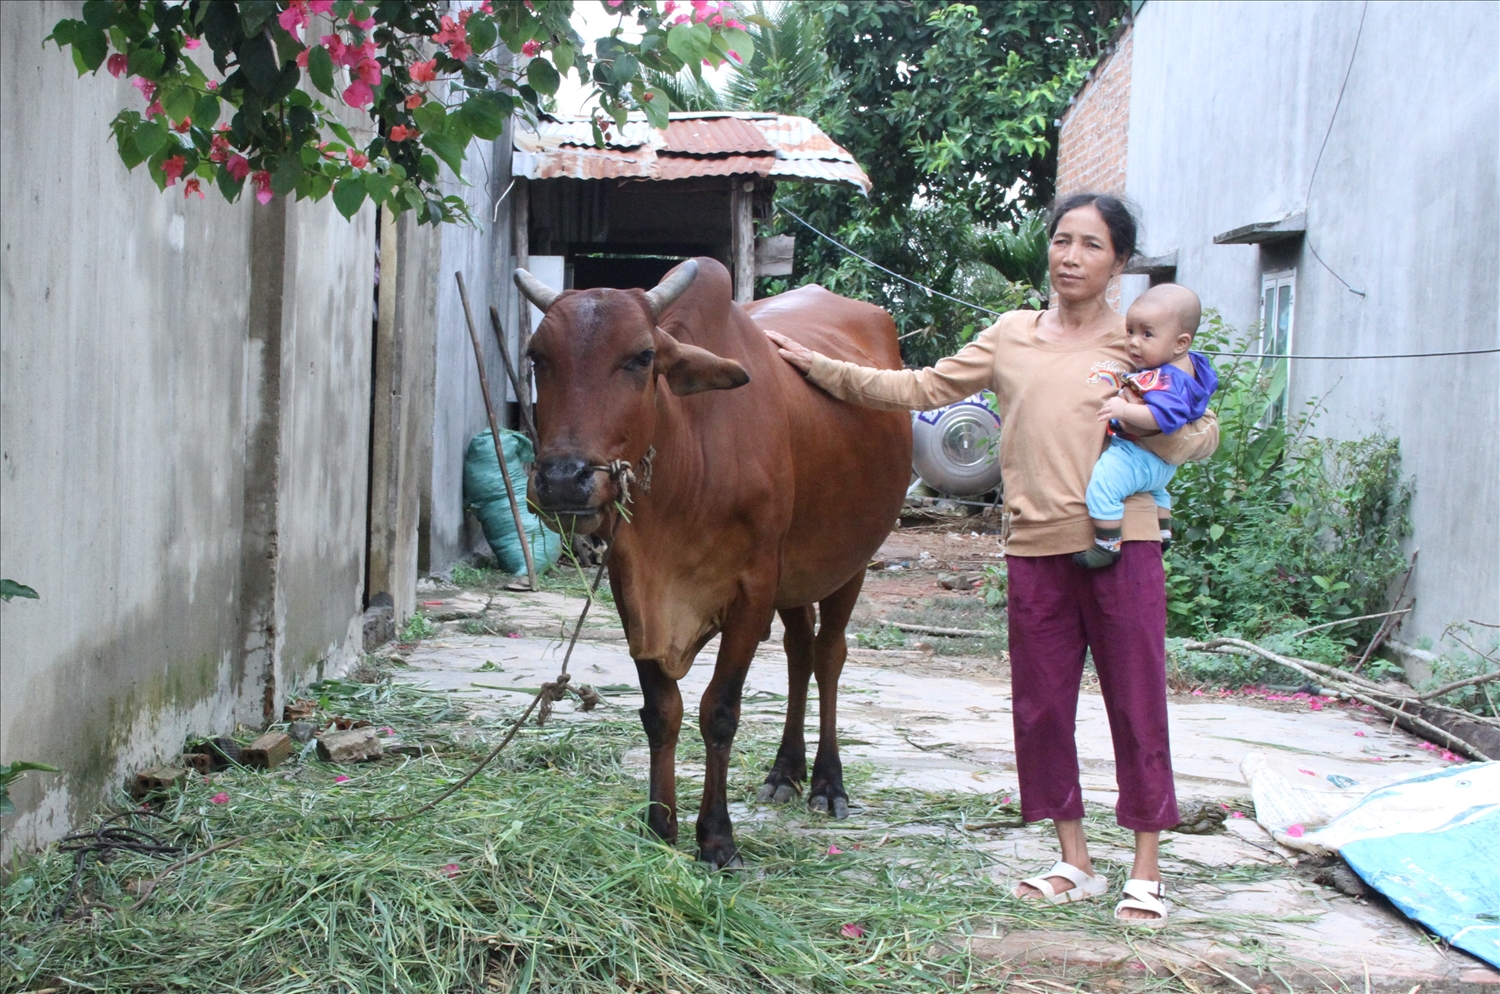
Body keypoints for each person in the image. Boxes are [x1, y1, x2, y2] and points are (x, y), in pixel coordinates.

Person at [764, 193, 1218, 925]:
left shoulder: (1137, 343)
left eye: (1091, 246)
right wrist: (820, 368)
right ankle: (1075, 861)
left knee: (1136, 704)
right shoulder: (1011, 334)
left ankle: (1147, 869)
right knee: (1041, 710)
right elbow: (920, 388)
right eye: (1062, 240)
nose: (1071, 257)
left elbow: (1202, 430)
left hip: (1122, 546)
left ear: (1120, 263)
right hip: (1035, 546)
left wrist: (1149, 426)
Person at [1073, 283, 1218, 569]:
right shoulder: (1191, 367)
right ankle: (1163, 531)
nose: (1134, 343)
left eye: (1147, 334)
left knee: (1103, 486)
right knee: (1158, 492)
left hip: (1137, 457)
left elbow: (1163, 419)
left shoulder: (1166, 378)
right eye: (1130, 332)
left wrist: (1124, 409)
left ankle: (1107, 544)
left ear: (1181, 343)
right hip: (1163, 470)